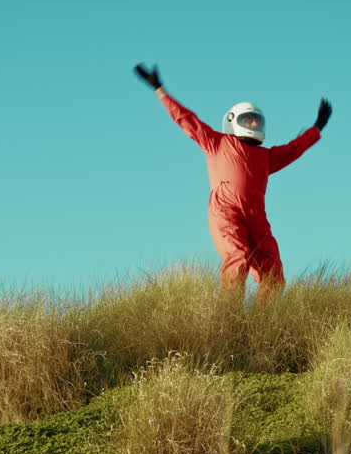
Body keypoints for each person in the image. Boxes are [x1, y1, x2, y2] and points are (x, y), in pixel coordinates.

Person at [134, 63, 333, 305]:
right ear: (233, 121)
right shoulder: (217, 142)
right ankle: (228, 316)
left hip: (257, 219)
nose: (254, 125)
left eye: (256, 121)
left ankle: (263, 322)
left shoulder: (266, 156)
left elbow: (294, 149)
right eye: (248, 120)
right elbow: (187, 120)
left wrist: (317, 127)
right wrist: (160, 90)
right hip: (226, 212)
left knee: (274, 274)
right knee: (237, 258)